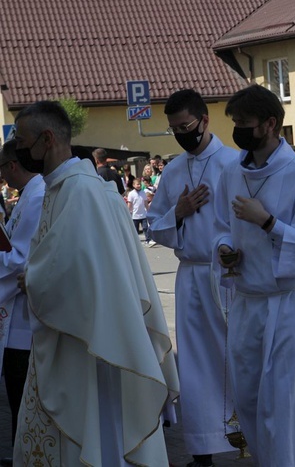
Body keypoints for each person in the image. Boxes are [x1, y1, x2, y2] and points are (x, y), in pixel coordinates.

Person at [12, 100, 178, 465]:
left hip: (89, 341)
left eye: (22, 141)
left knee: (93, 432)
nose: (18, 150)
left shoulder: (80, 191)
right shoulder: (67, 186)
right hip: (80, 335)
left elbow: (82, 271)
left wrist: (32, 279)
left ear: (47, 139)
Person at [215, 84, 295, 466]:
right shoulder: (232, 171)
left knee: (285, 405)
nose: (238, 130)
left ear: (269, 124)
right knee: (249, 401)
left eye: (244, 123)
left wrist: (267, 222)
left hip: (287, 307)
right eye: (235, 123)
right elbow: (220, 225)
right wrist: (225, 249)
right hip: (247, 303)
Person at [146, 89, 238, 467]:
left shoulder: (233, 164)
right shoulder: (172, 170)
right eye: (174, 130)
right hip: (190, 277)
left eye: (185, 127)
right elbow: (154, 225)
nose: (182, 135)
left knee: (235, 358)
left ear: (204, 121)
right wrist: (179, 212)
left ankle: (246, 437)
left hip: (228, 277)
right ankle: (202, 450)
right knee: (196, 364)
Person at [0, 140, 44, 463]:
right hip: (16, 316)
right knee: (18, 397)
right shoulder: (30, 194)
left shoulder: (38, 195)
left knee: (23, 398)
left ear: (12, 166)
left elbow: (19, 259)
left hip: (27, 319)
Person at [127, 177, 152, 243]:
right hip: (135, 215)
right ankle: (135, 240)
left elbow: (145, 202)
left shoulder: (143, 192)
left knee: (145, 227)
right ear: (133, 185)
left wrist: (148, 210)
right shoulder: (131, 194)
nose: (139, 186)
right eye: (137, 184)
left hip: (143, 214)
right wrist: (128, 212)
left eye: (140, 184)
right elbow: (129, 204)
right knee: (135, 229)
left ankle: (148, 239)